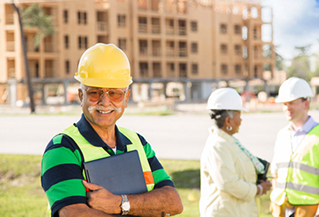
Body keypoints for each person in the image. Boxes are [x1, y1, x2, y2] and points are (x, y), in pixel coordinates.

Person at [41, 43, 183, 217]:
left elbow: (173, 202)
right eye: (95, 93)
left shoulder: (138, 142)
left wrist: (121, 203)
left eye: (115, 93)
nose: (105, 102)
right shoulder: (63, 148)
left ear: (126, 98)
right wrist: (146, 206)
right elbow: (73, 213)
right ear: (81, 96)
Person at [200, 88, 272, 217]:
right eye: (239, 116)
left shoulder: (228, 143)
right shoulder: (218, 145)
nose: (241, 120)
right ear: (228, 121)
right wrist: (258, 189)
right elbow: (228, 183)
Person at [270, 77, 319, 217]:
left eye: (291, 103)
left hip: (309, 210)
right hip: (282, 209)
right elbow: (276, 173)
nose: (287, 108)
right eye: (284, 104)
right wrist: (275, 197)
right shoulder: (282, 135)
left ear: (306, 104)